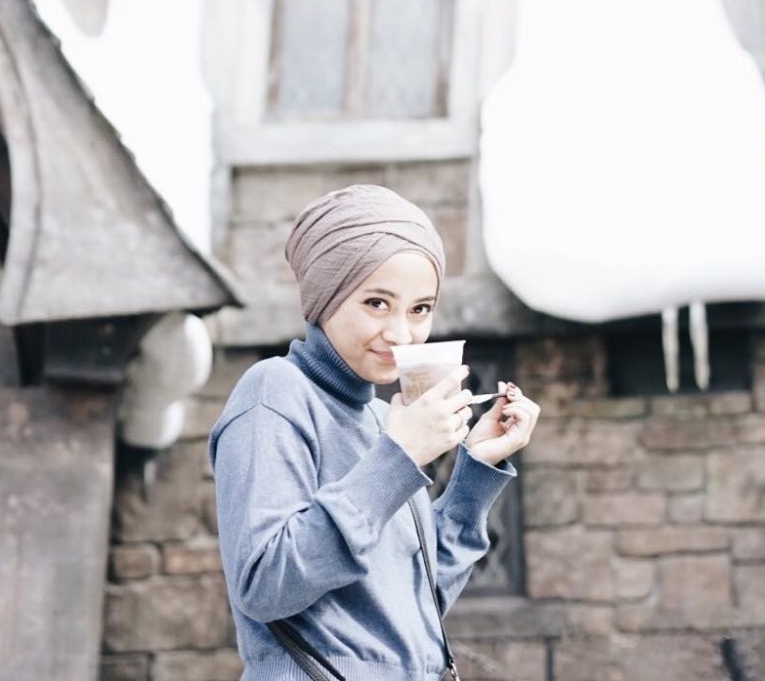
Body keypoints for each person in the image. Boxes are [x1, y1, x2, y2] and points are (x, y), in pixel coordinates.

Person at [208, 185, 540, 680]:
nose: (402, 334)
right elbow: (263, 585)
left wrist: (476, 471)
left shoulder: (382, 419)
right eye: (377, 303)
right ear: (324, 296)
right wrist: (400, 456)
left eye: (420, 309)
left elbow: (416, 607)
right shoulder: (274, 392)